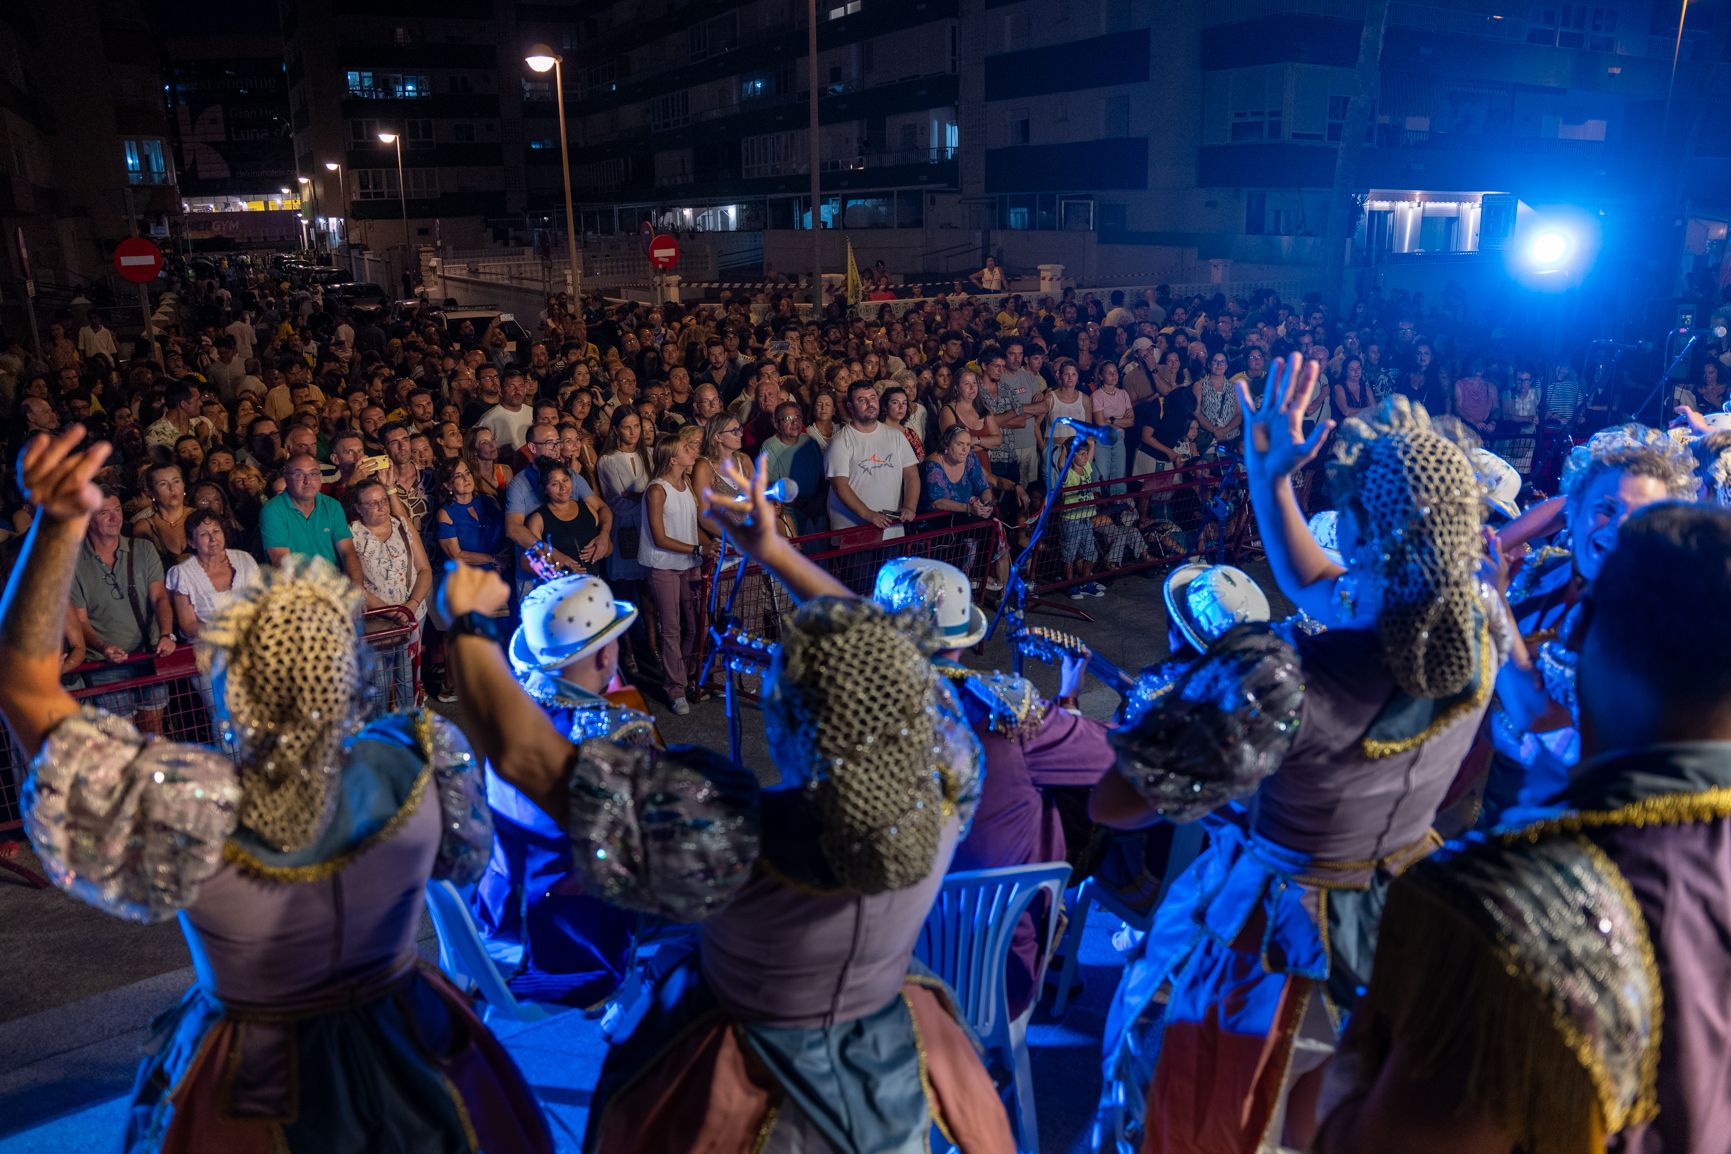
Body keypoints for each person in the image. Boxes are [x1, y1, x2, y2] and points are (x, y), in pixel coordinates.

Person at [439, 458, 1016, 1152]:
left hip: (746, 1076)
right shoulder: (949, 765)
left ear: (791, 726)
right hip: (887, 1042)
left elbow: (528, 759)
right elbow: (892, 662)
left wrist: (467, 624)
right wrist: (775, 552)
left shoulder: (729, 832)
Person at [2, 427, 550, 1154]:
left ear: (229, 693)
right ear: (350, 674)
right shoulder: (418, 762)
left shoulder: (186, 807)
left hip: (251, 1086)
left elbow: (23, 681)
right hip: (411, 1045)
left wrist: (54, 524)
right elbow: (469, 861)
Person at [1090, 360, 1510, 1153]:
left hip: (1277, 935)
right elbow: (1316, 581)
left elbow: (1114, 805)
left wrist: (1187, 725)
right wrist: (1266, 479)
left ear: (1356, 532)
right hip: (1406, 907)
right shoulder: (1478, 624)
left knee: (1228, 1114)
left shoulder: (1277, 677)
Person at [875, 555, 1113, 1017]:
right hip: (991, 975)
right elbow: (1110, 755)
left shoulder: (852, 714)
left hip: (883, 966)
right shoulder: (1009, 714)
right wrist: (1066, 706)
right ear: (965, 637)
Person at [1488, 425, 1696, 823]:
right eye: (1607, 508)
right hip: (1481, 786)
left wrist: (1491, 600)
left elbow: (1537, 714)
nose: (1619, 529)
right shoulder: (1541, 569)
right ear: (1574, 509)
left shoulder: (1649, 618)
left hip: (1559, 822)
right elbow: (1480, 555)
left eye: (1642, 518)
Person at [472, 572, 653, 1006]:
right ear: (604, 654)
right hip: (574, 932)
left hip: (501, 908)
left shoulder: (503, 720)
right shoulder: (618, 732)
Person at [70, 487, 177, 735]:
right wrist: (103, 647)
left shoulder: (143, 549)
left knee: (154, 732)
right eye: (104, 512)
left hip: (149, 654)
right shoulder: (74, 563)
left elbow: (160, 597)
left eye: (117, 510)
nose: (114, 517)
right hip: (105, 665)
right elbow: (80, 621)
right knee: (121, 739)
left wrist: (166, 634)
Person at [639, 429, 704, 715]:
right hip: (664, 565)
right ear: (673, 458)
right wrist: (696, 549)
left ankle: (686, 676)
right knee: (672, 628)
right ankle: (675, 689)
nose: (692, 451)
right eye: (686, 448)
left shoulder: (686, 483)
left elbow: (693, 521)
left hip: (689, 564)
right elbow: (659, 537)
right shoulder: (657, 489)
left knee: (694, 623)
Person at [826, 379, 918, 538]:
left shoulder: (896, 436)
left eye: (873, 397)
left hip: (891, 530)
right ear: (850, 407)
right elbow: (840, 486)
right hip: (854, 533)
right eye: (862, 400)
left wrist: (909, 507)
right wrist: (869, 514)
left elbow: (911, 475)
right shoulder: (840, 441)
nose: (870, 403)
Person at [259, 453, 365, 585]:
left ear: (320, 477)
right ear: (286, 478)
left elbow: (347, 552)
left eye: (314, 473)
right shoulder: (272, 510)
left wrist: (356, 589)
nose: (307, 481)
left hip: (337, 587)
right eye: (299, 474)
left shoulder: (332, 505)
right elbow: (282, 562)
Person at [166, 509, 263, 638]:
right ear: (191, 542)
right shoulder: (182, 573)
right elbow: (189, 626)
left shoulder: (245, 559)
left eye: (216, 531)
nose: (213, 539)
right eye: (204, 534)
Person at [526, 461, 611, 577]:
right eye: (555, 484)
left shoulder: (587, 508)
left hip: (594, 585)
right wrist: (555, 565)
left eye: (565, 480)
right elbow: (526, 563)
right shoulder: (538, 520)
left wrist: (602, 545)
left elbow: (609, 547)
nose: (563, 487)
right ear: (544, 488)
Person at [130, 461, 192, 565]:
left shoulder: (200, 516)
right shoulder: (144, 527)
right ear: (151, 492)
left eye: (176, 481)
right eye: (163, 484)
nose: (172, 489)